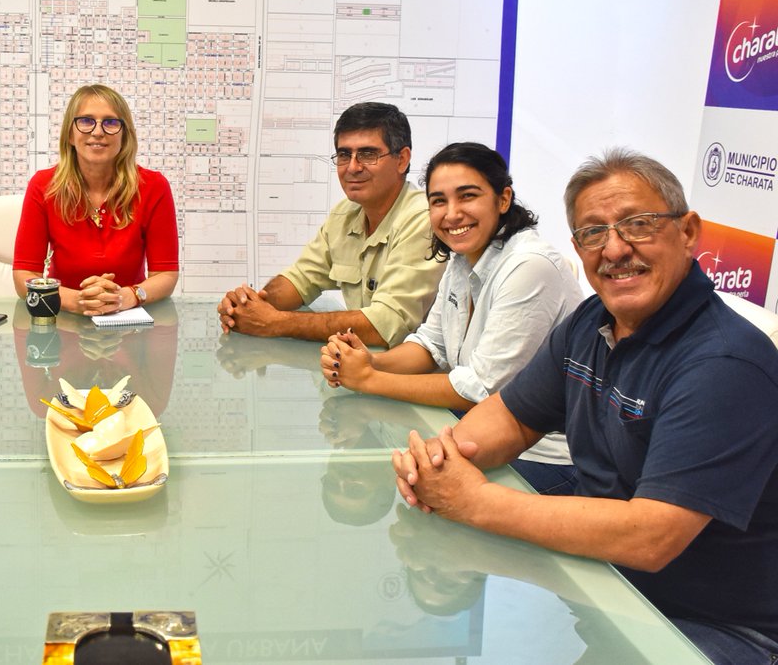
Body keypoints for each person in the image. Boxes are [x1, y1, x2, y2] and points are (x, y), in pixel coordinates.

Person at [392, 149, 778, 664]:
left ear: (687, 232)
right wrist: (441, 461)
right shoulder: (592, 322)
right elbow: (510, 416)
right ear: (578, 247)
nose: (615, 248)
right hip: (614, 587)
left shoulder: (725, 363)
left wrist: (474, 500)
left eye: (637, 225)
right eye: (593, 232)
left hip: (716, 627)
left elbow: (651, 536)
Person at [321, 142, 583, 495]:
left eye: (468, 196)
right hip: (480, 437)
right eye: (439, 201)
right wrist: (373, 361)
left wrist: (368, 379)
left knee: (421, 493)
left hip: (545, 459)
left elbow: (480, 389)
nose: (452, 213)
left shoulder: (529, 266)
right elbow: (432, 345)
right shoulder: (463, 259)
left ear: (503, 199)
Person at [217, 102, 443, 345]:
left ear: (402, 160)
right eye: (344, 155)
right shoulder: (344, 215)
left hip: (412, 375)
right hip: (359, 368)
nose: (353, 167)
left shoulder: (423, 219)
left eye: (368, 154)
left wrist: (275, 323)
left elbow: (385, 325)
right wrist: (248, 306)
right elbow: (300, 279)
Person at [13, 84, 179, 316]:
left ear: (125, 134)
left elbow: (166, 275)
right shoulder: (43, 186)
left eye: (110, 122)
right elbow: (24, 276)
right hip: (62, 324)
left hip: (130, 325)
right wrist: (77, 301)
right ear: (70, 134)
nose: (98, 131)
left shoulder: (153, 187)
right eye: (86, 121)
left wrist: (126, 297)